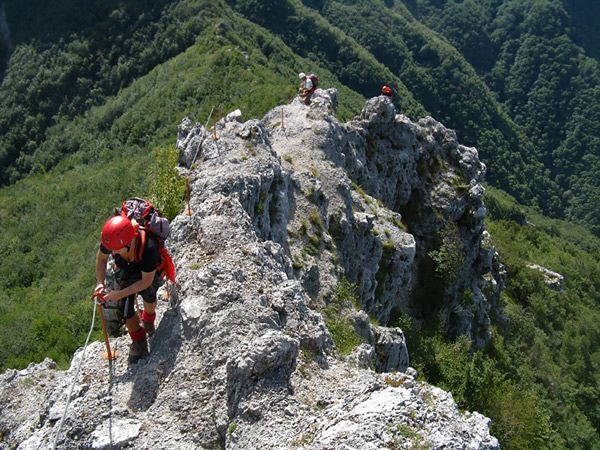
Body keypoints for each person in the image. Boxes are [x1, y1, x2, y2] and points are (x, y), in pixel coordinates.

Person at [95, 215, 164, 363]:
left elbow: (145, 282)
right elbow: (101, 258)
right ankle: (138, 340)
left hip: (146, 273)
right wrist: (100, 283)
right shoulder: (112, 240)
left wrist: (119, 294)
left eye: (116, 250)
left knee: (149, 295)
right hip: (126, 270)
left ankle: (148, 319)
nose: (113, 254)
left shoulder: (148, 248)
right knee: (124, 310)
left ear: (128, 242)